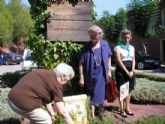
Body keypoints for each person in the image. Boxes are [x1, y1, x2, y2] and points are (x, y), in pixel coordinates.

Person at [8, 63, 74, 124]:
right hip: (21, 104)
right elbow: (63, 111)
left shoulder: (45, 73)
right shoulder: (56, 84)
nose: (66, 83)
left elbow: (46, 101)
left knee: (37, 119)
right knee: (46, 119)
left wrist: (52, 114)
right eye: (67, 80)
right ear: (63, 76)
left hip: (11, 99)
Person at [79, 25, 112, 117]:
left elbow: (109, 56)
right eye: (91, 37)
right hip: (90, 74)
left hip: (102, 74)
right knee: (92, 92)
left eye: (95, 38)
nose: (93, 39)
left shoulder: (105, 44)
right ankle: (93, 114)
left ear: (100, 36)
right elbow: (81, 63)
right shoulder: (86, 47)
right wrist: (81, 77)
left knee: (101, 93)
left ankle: (99, 112)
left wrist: (109, 70)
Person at [114, 29, 136, 118]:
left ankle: (127, 108)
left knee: (129, 89)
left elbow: (133, 59)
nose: (126, 39)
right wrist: (127, 72)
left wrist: (132, 70)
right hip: (121, 70)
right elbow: (119, 61)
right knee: (123, 90)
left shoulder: (132, 47)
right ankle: (122, 109)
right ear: (122, 37)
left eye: (128, 38)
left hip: (130, 69)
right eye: (125, 37)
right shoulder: (117, 47)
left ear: (130, 38)